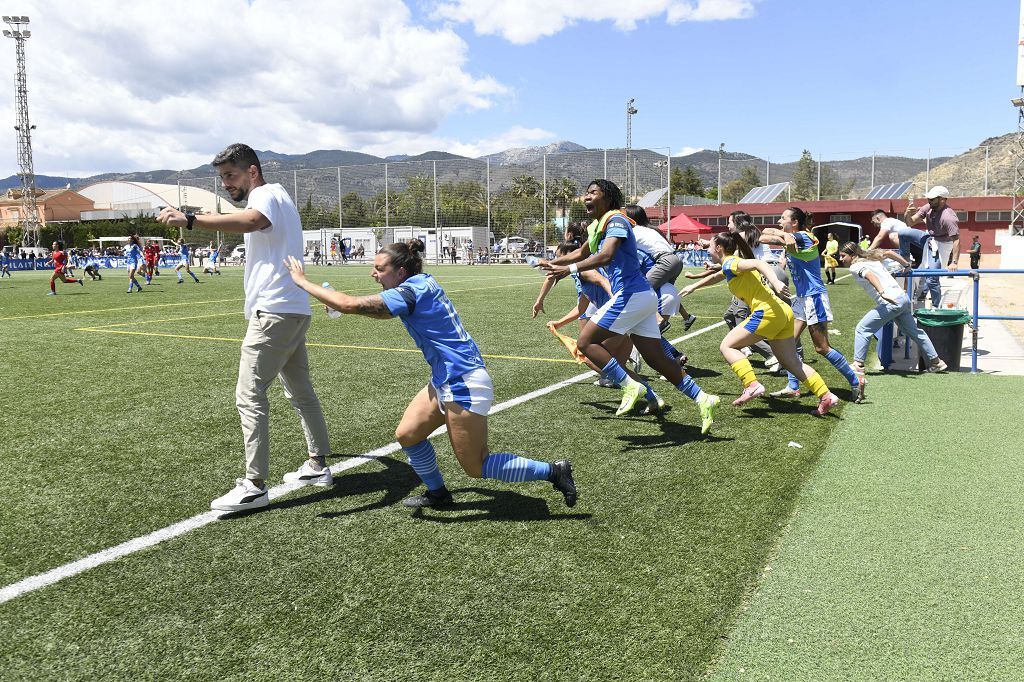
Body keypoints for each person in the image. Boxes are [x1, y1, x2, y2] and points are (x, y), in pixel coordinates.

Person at [283, 240, 577, 509]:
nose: (374, 273)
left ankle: (554, 471)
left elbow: (355, 304)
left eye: (379, 268)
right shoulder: (418, 285)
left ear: (400, 271)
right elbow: (375, 311)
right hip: (445, 379)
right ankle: (438, 493)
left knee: (476, 466)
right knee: (408, 435)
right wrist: (341, 306)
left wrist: (302, 282)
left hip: (463, 381)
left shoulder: (412, 291)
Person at [157, 143, 333, 513]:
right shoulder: (279, 195)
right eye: (221, 177)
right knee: (301, 392)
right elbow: (250, 219)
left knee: (249, 396)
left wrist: (190, 220)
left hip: (274, 312)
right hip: (293, 309)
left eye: (230, 176)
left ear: (252, 171)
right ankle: (317, 465)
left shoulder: (266, 194)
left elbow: (253, 221)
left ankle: (254, 485)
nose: (225, 184)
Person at [539, 179, 720, 433]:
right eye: (586, 193)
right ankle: (703, 398)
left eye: (593, 192)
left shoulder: (617, 221)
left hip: (632, 294)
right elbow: (581, 253)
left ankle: (629, 384)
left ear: (609, 198)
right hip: (642, 297)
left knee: (585, 343)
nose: (587, 197)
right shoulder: (597, 226)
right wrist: (554, 263)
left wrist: (566, 268)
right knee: (656, 359)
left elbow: (606, 255)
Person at [680, 232, 840, 415]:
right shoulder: (730, 264)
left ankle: (752, 385)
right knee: (792, 363)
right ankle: (826, 395)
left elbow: (759, 263)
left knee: (727, 346)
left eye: (709, 246)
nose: (707, 250)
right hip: (782, 313)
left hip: (768, 313)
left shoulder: (732, 262)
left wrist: (776, 282)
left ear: (719, 248)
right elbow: (719, 275)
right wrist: (694, 285)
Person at [761, 207, 862, 399]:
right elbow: (763, 235)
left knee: (822, 347)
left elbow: (765, 237)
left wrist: (783, 236)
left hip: (814, 297)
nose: (779, 221)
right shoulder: (790, 236)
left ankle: (856, 380)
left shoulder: (805, 237)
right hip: (801, 298)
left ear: (795, 222)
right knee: (788, 343)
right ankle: (793, 387)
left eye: (783, 218)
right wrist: (783, 234)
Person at [838, 241, 947, 401]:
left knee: (862, 329)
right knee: (915, 332)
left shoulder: (855, 266)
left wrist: (882, 292)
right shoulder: (871, 257)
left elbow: (869, 275)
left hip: (891, 301)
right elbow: (889, 252)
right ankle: (936, 362)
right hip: (902, 298)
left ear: (853, 255)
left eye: (843, 255)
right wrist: (907, 265)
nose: (841, 259)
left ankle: (858, 365)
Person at [622, 205, 697, 332]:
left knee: (641, 289)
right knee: (667, 291)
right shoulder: (651, 230)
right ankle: (687, 317)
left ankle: (659, 320)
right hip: (676, 260)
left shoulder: (634, 231)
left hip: (665, 261)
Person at [869, 209, 941, 307]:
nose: (874, 225)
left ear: (878, 218)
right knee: (913, 276)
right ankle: (913, 296)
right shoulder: (896, 222)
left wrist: (867, 252)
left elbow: (880, 237)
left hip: (916, 246)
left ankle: (907, 260)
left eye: (873, 222)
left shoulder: (887, 221)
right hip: (918, 248)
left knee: (893, 236)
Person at [905, 185, 960, 273]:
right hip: (930, 238)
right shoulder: (928, 207)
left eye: (932, 199)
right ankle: (905, 262)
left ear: (942, 200)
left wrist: (954, 262)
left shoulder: (948, 217)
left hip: (943, 243)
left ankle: (933, 280)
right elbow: (910, 223)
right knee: (903, 234)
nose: (929, 201)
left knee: (932, 275)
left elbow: (956, 241)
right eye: (928, 199)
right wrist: (907, 214)